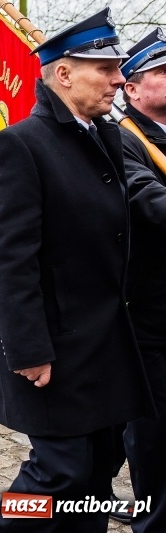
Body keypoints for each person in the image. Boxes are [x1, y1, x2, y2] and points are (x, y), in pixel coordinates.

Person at [0, 9, 154, 531]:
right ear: (64, 73)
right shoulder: (20, 145)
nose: (120, 78)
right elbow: (8, 261)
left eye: (119, 67)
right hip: (55, 351)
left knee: (97, 475)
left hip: (106, 345)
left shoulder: (103, 137)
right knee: (57, 476)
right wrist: (28, 349)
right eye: (106, 67)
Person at [119, 28, 166, 532]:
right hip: (149, 310)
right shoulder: (124, 141)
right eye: (161, 73)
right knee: (151, 432)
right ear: (131, 90)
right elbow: (150, 205)